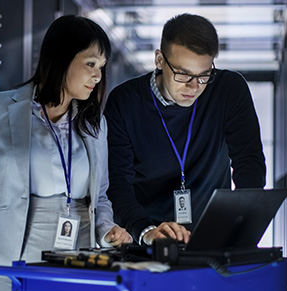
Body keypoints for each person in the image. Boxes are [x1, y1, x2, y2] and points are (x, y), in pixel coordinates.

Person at [0, 15, 132, 291]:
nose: (97, 76)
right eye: (91, 64)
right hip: (10, 257)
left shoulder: (95, 125)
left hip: (76, 258)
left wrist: (107, 230)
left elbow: (101, 196)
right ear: (62, 58)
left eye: (102, 67)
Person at [104, 13, 266, 247]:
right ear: (159, 60)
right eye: (183, 74)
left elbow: (248, 163)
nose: (193, 87)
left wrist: (241, 226)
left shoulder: (228, 90)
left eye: (203, 75)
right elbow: (117, 184)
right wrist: (146, 231)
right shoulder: (125, 102)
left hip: (213, 236)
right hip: (149, 237)